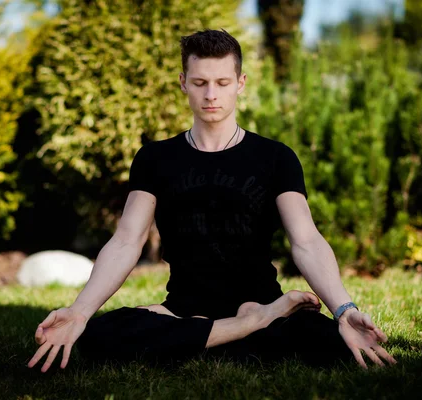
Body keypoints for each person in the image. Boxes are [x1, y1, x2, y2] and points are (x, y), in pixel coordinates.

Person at [27, 29, 397, 373]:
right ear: (183, 83)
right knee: (97, 335)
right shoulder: (155, 158)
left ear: (241, 84)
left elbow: (306, 240)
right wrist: (79, 311)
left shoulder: (275, 157)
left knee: (330, 343)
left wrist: (345, 311)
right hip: (184, 310)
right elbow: (127, 240)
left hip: (256, 298)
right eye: (200, 83)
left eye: (222, 83)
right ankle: (247, 327)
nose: (211, 95)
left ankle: (237, 326)